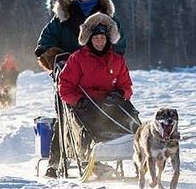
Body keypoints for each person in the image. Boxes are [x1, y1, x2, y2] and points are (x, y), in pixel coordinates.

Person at [34, 0, 125, 177]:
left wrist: (109, 59)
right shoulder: (63, 17)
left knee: (106, 114)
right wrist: (56, 58)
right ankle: (55, 161)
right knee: (65, 117)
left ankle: (103, 154)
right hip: (70, 75)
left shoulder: (105, 15)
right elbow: (44, 44)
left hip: (98, 75)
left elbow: (120, 41)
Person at [58, 13, 138, 157]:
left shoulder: (117, 60)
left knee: (131, 116)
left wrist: (120, 94)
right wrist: (78, 100)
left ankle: (139, 143)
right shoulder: (77, 58)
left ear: (108, 39)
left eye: (102, 38)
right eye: (96, 38)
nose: (99, 42)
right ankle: (92, 152)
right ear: (89, 39)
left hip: (111, 103)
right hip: (86, 104)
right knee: (91, 123)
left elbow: (126, 86)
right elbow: (65, 88)